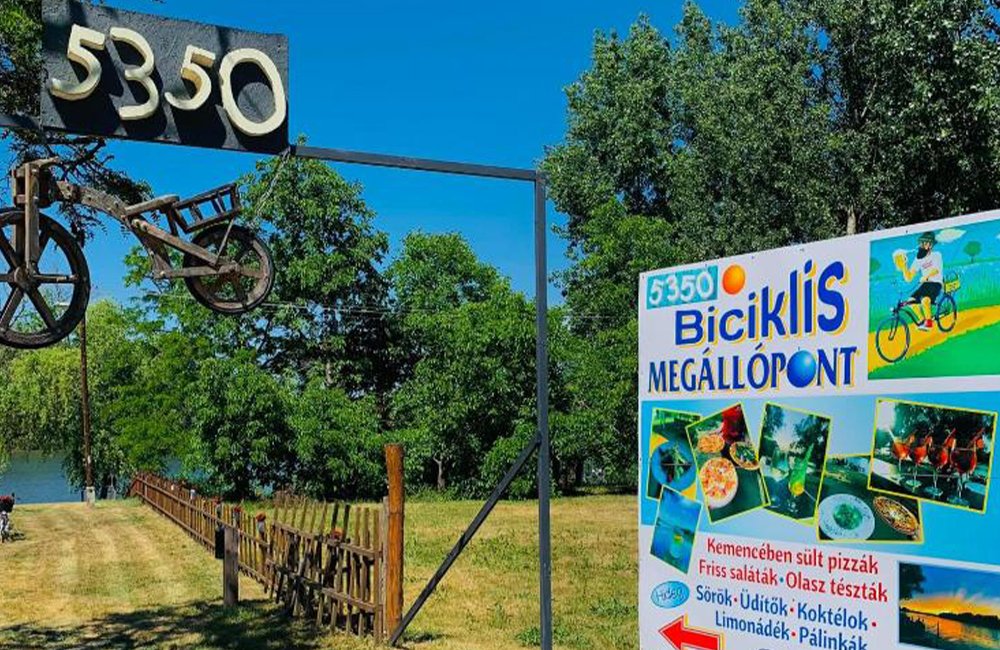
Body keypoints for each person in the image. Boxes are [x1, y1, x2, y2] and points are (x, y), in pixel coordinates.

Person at [901, 232, 944, 330]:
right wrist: (904, 265)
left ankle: (929, 323)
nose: (922, 245)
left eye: (924, 243)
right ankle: (922, 320)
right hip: (925, 284)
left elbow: (936, 270)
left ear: (930, 245)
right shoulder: (918, 259)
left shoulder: (936, 255)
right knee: (910, 301)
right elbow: (908, 278)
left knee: (925, 300)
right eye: (921, 243)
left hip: (936, 283)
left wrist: (926, 276)